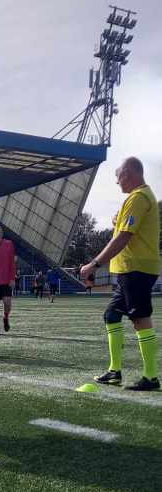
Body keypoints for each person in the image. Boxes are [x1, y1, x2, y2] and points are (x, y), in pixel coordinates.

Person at [81, 157, 160, 391]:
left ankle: (151, 377)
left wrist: (94, 264)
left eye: (118, 177)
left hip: (137, 268)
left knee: (140, 318)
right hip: (129, 269)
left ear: (127, 173)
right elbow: (124, 228)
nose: (117, 182)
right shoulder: (138, 198)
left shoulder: (139, 197)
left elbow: (124, 236)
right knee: (112, 315)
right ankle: (114, 372)